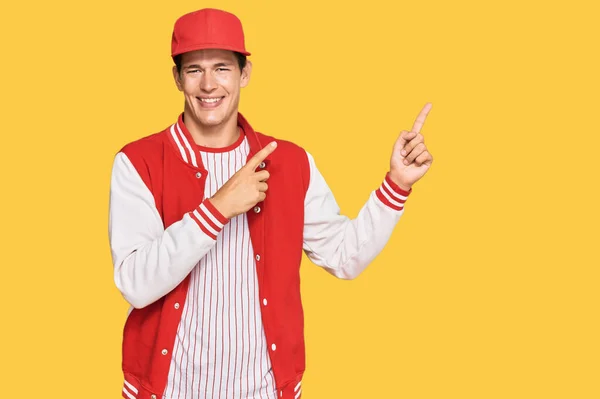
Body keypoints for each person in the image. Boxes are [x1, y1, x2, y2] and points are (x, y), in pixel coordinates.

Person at [108, 7, 434, 399]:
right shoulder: (137, 162)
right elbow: (136, 285)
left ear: (244, 74)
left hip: (264, 390)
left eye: (222, 68)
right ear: (177, 78)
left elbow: (345, 257)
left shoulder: (291, 163)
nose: (209, 84)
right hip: (169, 389)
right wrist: (218, 209)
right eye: (194, 69)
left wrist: (396, 184)